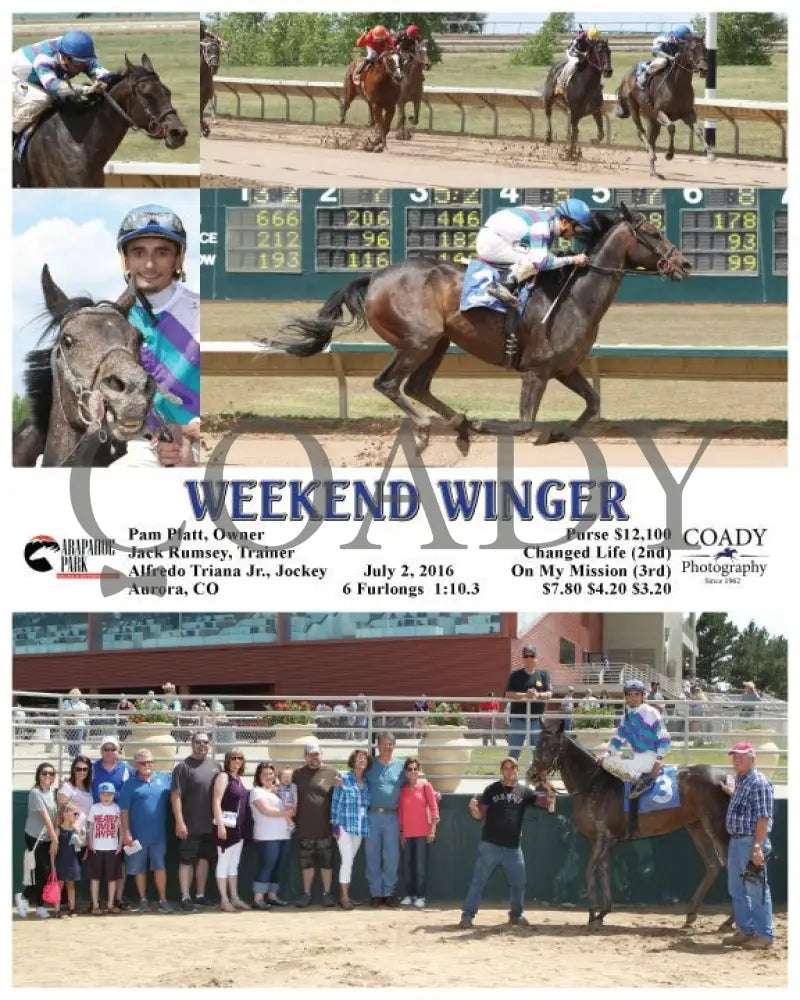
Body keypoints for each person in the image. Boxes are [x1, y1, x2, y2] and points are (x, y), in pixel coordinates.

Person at [113, 204, 200, 468]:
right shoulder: (111, 321)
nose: (149, 265)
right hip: (136, 445)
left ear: (178, 260)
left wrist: (188, 433)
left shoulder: (205, 313)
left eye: (161, 253)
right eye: (139, 253)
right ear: (126, 259)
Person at [459, 757, 543, 928]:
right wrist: (473, 808)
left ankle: (516, 915)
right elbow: (478, 815)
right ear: (501, 770)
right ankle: (467, 916)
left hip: (513, 848)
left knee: (519, 882)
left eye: (512, 768)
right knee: (478, 881)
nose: (509, 771)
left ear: (517, 770)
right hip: (490, 845)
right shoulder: (491, 790)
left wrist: (548, 788)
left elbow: (546, 803)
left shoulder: (524, 791)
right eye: (506, 768)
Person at [475, 199, 593, 307]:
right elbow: (542, 263)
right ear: (564, 221)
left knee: (543, 257)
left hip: (499, 235)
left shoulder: (551, 219)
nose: (576, 234)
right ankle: (502, 285)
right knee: (536, 260)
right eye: (577, 228)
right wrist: (572, 259)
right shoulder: (542, 227)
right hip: (491, 242)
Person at [722, 742, 775, 949]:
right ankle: (746, 929)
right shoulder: (742, 781)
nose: (736, 760)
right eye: (734, 756)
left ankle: (764, 935)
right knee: (736, 888)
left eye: (741, 756)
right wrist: (732, 792)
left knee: (757, 888)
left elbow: (763, 818)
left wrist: (758, 847)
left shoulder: (759, 783)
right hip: (737, 841)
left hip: (749, 842)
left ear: (752, 758)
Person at [12, 29, 111, 137]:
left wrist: (106, 80)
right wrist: (87, 89)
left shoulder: (77, 52)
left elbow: (100, 72)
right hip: (12, 75)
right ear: (65, 58)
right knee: (41, 99)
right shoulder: (45, 58)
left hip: (37, 79)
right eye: (78, 64)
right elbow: (53, 86)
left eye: (86, 62)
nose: (83, 68)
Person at [118, 748, 174, 914]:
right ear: (136, 764)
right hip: (137, 836)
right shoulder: (129, 785)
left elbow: (180, 790)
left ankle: (163, 899)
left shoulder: (164, 779)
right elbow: (124, 811)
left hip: (159, 836)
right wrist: (126, 833)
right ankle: (143, 900)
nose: (147, 765)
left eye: (150, 761)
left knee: (160, 867)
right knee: (139, 869)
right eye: (143, 762)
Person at [171, 731, 221, 912]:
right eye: (198, 742)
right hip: (189, 825)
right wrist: (179, 821)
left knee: (204, 860)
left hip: (210, 825)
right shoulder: (183, 767)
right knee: (187, 861)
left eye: (205, 742)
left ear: (210, 745)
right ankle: (185, 897)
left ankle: (199, 895)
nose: (202, 745)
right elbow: (175, 796)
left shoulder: (216, 766)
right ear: (192, 744)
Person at [599, 679, 671, 798]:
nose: (633, 698)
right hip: (636, 755)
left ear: (643, 696)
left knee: (607, 763)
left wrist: (657, 763)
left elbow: (665, 739)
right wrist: (607, 754)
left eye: (636, 694)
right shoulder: (626, 717)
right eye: (629, 694)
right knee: (611, 758)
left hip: (650, 757)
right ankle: (636, 776)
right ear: (625, 697)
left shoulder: (651, 712)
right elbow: (618, 739)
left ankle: (642, 781)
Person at [363, 731, 409, 906]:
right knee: (372, 855)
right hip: (372, 815)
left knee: (392, 857)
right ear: (377, 745)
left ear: (394, 746)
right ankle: (375, 894)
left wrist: (432, 792)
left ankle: (388, 893)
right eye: (384, 744)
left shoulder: (400, 766)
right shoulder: (370, 765)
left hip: (392, 817)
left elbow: (412, 784)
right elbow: (357, 778)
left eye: (390, 744)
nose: (387, 747)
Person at [292, 741, 339, 907]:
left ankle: (327, 894)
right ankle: (306, 894)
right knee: (307, 864)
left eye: (317, 754)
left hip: (326, 829)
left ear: (322, 754)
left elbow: (340, 797)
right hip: (304, 829)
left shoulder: (332, 772)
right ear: (306, 756)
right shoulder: (297, 774)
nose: (314, 757)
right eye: (311, 754)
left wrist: (336, 826)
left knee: (327, 864)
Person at [16, 761, 58, 919]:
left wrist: (53, 836)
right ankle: (27, 899)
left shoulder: (52, 792)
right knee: (43, 871)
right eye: (44, 773)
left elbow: (55, 814)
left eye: (51, 773)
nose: (48, 776)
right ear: (38, 775)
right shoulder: (35, 793)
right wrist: (55, 839)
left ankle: (33, 902)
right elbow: (46, 817)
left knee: (43, 872)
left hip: (48, 837)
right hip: (35, 837)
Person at [331, 748, 372, 909]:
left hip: (360, 827)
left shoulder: (367, 783)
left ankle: (346, 895)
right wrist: (334, 825)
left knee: (350, 861)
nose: (362, 760)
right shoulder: (343, 777)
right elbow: (335, 802)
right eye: (359, 758)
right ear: (353, 761)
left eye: (364, 758)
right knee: (347, 860)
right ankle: (344, 898)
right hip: (344, 825)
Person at [250, 761, 294, 910]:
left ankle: (272, 896)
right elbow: (266, 811)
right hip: (266, 836)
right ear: (258, 776)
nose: (268, 776)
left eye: (270, 773)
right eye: (264, 774)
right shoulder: (256, 791)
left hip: (284, 835)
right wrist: (286, 813)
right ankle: (258, 899)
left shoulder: (279, 791)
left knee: (278, 867)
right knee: (266, 866)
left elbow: (292, 807)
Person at [212, 747, 251, 912]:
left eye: (240, 758)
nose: (237, 761)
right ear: (228, 760)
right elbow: (216, 801)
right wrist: (220, 825)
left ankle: (234, 897)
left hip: (239, 829)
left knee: (233, 864)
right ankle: (224, 899)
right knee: (223, 863)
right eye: (233, 758)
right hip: (226, 827)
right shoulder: (223, 776)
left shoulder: (239, 779)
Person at [398, 756, 439, 909]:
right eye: (410, 769)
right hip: (407, 834)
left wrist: (432, 830)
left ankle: (421, 896)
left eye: (416, 769)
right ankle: (410, 895)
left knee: (420, 867)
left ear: (419, 770)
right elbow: (401, 812)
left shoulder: (426, 786)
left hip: (423, 833)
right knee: (407, 866)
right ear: (406, 772)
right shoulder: (402, 790)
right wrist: (401, 831)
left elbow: (434, 808)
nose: (413, 772)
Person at [504, 646, 553, 763]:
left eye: (532, 656)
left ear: (537, 658)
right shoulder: (515, 675)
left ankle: (539, 780)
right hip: (518, 719)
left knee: (538, 754)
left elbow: (549, 693)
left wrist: (537, 695)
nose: (529, 658)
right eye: (526, 656)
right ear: (523, 658)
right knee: (513, 753)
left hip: (536, 720)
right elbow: (508, 693)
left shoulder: (544, 675)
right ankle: (511, 779)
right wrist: (526, 695)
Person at [86, 781, 123, 915]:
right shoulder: (95, 808)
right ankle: (95, 905)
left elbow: (121, 828)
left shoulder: (117, 808)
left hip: (112, 848)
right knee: (95, 878)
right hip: (96, 848)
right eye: (103, 794)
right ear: (99, 795)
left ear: (114, 795)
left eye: (109, 794)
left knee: (112, 878)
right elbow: (90, 828)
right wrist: (90, 844)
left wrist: (119, 844)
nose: (106, 797)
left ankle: (110, 904)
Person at [635, 24, 696, 90]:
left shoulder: (680, 39)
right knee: (663, 61)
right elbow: (656, 51)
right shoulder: (663, 39)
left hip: (672, 54)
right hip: (659, 54)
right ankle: (645, 73)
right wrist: (669, 57)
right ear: (678, 36)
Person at [53, 802, 83, 917]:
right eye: (74, 814)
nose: (76, 816)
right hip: (60, 862)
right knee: (59, 886)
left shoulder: (75, 830)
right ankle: (56, 910)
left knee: (71, 885)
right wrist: (53, 867)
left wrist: (78, 833)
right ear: (65, 814)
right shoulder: (58, 831)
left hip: (72, 862)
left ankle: (72, 909)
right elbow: (53, 851)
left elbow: (78, 847)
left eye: (77, 814)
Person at [57, 755, 93, 839]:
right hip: (70, 833)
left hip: (84, 834)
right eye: (78, 769)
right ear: (73, 770)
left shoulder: (89, 788)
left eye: (85, 769)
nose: (82, 772)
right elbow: (61, 809)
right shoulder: (67, 787)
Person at [556, 26, 601, 93]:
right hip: (573, 52)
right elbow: (573, 47)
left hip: (584, 54)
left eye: (594, 39)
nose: (593, 41)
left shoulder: (594, 38)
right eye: (592, 39)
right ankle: (560, 84)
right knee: (574, 63)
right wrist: (582, 54)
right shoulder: (580, 37)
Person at [62, 687, 89, 758]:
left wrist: (74, 714)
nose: (76, 696)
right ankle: (72, 758)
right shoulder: (67, 702)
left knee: (78, 744)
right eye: (74, 694)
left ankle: (77, 758)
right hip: (70, 726)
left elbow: (86, 715)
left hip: (80, 726)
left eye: (77, 694)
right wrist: (78, 714)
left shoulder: (82, 704)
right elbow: (66, 712)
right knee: (71, 744)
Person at [276, 767, 298, 833]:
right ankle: (290, 824)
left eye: (289, 777)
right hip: (282, 804)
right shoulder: (279, 786)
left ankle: (291, 824)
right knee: (283, 814)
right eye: (284, 777)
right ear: (280, 779)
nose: (287, 779)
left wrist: (294, 804)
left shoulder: (293, 786)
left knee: (287, 814)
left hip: (290, 804)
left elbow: (295, 795)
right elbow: (277, 795)